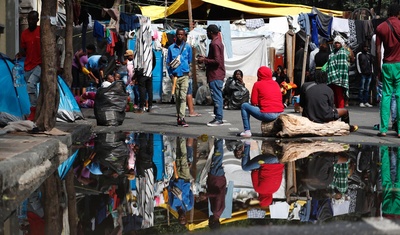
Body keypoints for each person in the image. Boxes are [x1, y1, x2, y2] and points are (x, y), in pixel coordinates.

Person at [235, 140, 284, 209]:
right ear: (261, 198)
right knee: (245, 167)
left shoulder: (275, 189)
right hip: (266, 161)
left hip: (278, 162)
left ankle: (246, 146)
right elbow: (254, 173)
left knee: (252, 165)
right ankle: (246, 144)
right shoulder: (259, 190)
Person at [375, 4, 400, 137]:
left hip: (387, 64)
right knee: (399, 95)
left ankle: (383, 130)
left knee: (386, 96)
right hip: (399, 65)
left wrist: (378, 68)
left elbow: (378, 50)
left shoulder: (381, 27)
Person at [238, 66, 284, 138]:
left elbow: (254, 101)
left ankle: (247, 131)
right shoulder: (276, 84)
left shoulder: (257, 84)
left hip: (268, 113)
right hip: (279, 113)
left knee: (244, 106)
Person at [197, 24, 226, 127]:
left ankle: (219, 118)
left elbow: (217, 61)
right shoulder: (218, 42)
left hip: (215, 74)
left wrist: (204, 60)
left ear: (210, 32)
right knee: (217, 96)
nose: (207, 34)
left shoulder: (214, 44)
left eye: (207, 32)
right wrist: (205, 57)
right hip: (217, 74)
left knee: (217, 96)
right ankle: (217, 117)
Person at [16, 11, 41, 121]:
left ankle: (33, 111)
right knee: (30, 89)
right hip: (28, 65)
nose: (30, 22)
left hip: (40, 64)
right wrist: (20, 54)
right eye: (29, 19)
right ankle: (37, 107)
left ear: (37, 20)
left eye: (33, 19)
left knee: (31, 85)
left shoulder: (41, 31)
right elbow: (25, 50)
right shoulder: (24, 34)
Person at [197, 138, 226, 229]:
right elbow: (217, 194)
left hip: (218, 180)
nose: (208, 220)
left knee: (217, 159)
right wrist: (206, 196)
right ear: (213, 222)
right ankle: (219, 140)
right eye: (210, 222)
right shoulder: (216, 211)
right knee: (217, 158)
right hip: (216, 179)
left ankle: (219, 141)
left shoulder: (219, 212)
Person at [167, 28, 193, 127]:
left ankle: (182, 117)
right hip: (175, 76)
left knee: (183, 96)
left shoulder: (188, 47)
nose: (180, 36)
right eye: (178, 34)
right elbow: (168, 63)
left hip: (185, 75)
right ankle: (179, 116)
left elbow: (189, 60)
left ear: (184, 35)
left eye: (182, 35)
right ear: (176, 36)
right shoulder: (171, 48)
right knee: (177, 97)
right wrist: (170, 74)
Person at [169, 137, 194, 225]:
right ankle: (182, 138)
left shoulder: (172, 206)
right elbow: (191, 193)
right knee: (183, 158)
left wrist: (172, 180)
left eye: (180, 219)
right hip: (185, 179)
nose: (182, 217)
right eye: (183, 219)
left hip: (176, 178)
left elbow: (170, 191)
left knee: (177, 157)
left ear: (178, 218)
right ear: (186, 218)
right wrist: (187, 186)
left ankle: (178, 139)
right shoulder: (189, 206)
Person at [327, 35, 350, 109]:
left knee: (339, 95)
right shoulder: (332, 53)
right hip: (332, 77)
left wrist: (340, 77)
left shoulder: (342, 53)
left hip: (339, 78)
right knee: (334, 95)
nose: (337, 44)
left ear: (341, 44)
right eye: (336, 43)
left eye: (338, 43)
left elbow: (343, 66)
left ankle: (340, 109)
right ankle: (336, 110)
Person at [356, 43, 374, 108]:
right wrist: (360, 72)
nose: (366, 48)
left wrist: (372, 71)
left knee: (367, 88)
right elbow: (357, 64)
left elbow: (371, 64)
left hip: (369, 73)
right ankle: (361, 101)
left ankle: (366, 101)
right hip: (363, 73)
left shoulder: (369, 55)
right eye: (365, 47)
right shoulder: (359, 54)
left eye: (367, 47)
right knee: (362, 88)